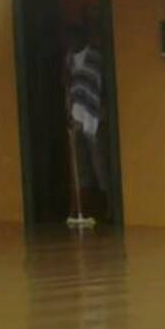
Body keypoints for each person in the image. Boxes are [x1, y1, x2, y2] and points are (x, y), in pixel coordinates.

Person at [64, 24, 107, 207]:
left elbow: (100, 84)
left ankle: (109, 205)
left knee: (99, 163)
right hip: (75, 117)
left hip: (94, 115)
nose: (71, 42)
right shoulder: (69, 59)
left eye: (74, 38)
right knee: (80, 165)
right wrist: (68, 111)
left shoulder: (94, 57)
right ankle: (85, 206)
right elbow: (69, 87)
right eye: (69, 39)